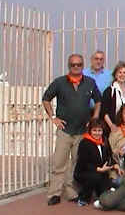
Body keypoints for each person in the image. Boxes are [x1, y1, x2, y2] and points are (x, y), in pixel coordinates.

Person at [42, 53, 102, 205]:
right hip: (65, 130)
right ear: (69, 66)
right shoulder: (59, 82)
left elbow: (98, 101)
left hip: (82, 131)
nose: (76, 67)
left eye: (79, 64)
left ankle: (71, 192)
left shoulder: (90, 82)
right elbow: (46, 99)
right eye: (73, 65)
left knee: (77, 163)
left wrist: (94, 118)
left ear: (83, 65)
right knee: (59, 163)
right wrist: (53, 117)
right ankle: (54, 194)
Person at [74, 119, 119, 206]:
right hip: (85, 172)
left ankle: (99, 194)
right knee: (95, 177)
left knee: (106, 191)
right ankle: (84, 198)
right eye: (94, 130)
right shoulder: (84, 143)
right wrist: (98, 169)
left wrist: (115, 165)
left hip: (102, 172)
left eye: (99, 130)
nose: (97, 133)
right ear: (90, 131)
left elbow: (110, 155)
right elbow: (83, 163)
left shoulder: (104, 140)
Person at [101, 61, 125, 130]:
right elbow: (104, 112)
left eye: (124, 73)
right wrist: (111, 125)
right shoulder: (109, 91)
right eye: (120, 72)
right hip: (114, 127)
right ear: (115, 75)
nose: (122, 75)